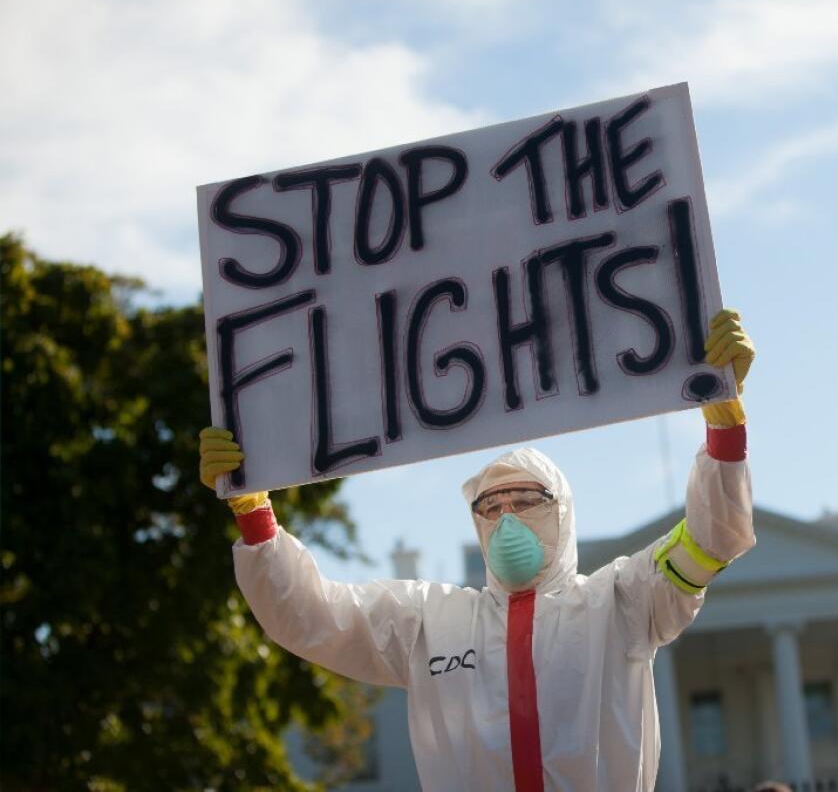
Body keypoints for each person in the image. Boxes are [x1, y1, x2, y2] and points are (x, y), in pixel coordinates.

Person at [198, 309, 756, 792]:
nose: (508, 516)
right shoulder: (428, 620)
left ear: (562, 511)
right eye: (491, 506)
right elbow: (311, 616)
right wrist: (255, 515)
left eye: (527, 499)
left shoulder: (621, 601)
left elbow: (711, 539)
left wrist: (723, 422)